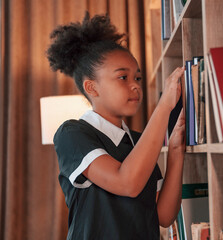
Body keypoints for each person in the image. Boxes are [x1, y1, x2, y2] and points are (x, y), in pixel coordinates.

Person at [47, 12, 185, 240]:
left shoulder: (141, 141)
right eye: (123, 78)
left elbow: (164, 215)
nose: (135, 87)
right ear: (92, 88)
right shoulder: (72, 133)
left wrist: (176, 151)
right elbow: (127, 183)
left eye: (138, 78)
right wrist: (164, 106)